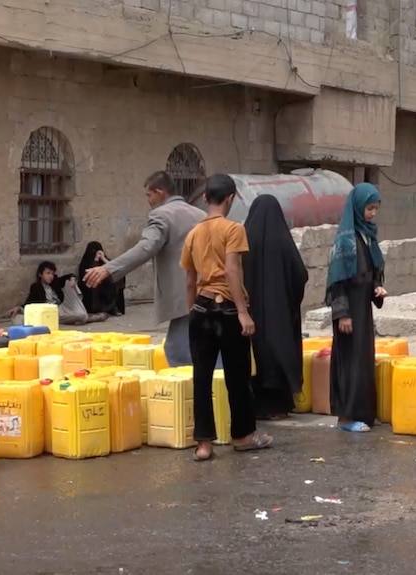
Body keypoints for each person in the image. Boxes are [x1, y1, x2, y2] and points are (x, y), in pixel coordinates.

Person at [180, 173, 273, 461]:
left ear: (206, 198)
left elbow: (189, 279)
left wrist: (191, 310)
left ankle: (204, 445)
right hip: (229, 310)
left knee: (202, 378)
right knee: (238, 376)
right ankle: (243, 436)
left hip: (201, 310)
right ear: (231, 199)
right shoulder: (234, 229)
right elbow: (233, 269)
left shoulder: (193, 233)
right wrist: (243, 312)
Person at [83, 171, 205, 367]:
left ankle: (195, 394)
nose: (148, 200)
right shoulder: (200, 214)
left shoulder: (161, 215)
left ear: (160, 192)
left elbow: (146, 247)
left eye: (149, 195)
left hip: (185, 294)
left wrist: (108, 268)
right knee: (199, 346)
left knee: (177, 350)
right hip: (208, 291)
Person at [325, 183, 387, 433]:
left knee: (363, 361)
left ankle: (363, 412)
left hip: (363, 309)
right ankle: (346, 417)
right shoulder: (345, 241)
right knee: (349, 363)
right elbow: (337, 280)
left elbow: (371, 271)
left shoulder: (367, 236)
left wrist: (377, 288)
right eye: (368, 208)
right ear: (357, 207)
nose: (372, 213)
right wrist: (343, 314)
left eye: (375, 209)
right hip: (349, 313)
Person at [243, 195, 309, 420]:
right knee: (279, 352)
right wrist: (290, 302)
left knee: (255, 355)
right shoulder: (282, 239)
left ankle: (256, 407)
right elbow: (300, 273)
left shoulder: (244, 238)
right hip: (279, 314)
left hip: (249, 313)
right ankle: (279, 407)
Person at [8, 261, 108, 325]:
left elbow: (69, 275)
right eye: (48, 273)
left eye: (52, 273)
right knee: (19, 319)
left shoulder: (55, 282)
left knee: (69, 283)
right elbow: (30, 302)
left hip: (61, 308)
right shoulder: (36, 287)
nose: (51, 276)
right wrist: (20, 308)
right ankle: (91, 317)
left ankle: (84, 314)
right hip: (48, 311)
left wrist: (72, 279)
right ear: (40, 274)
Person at [78, 241, 126, 316]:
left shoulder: (105, 260)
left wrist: (103, 259)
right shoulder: (85, 262)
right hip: (92, 286)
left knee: (118, 279)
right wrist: (95, 260)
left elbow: (114, 269)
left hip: (106, 286)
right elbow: (86, 274)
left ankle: (113, 307)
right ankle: (97, 309)